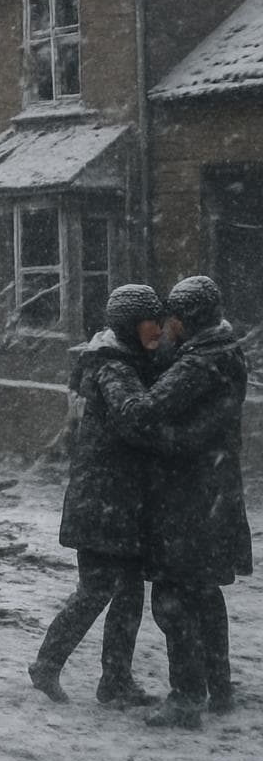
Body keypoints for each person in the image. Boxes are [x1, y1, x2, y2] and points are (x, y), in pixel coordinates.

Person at [108, 275, 252, 729]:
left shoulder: (197, 365)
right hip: (215, 490)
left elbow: (147, 411)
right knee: (206, 594)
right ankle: (219, 686)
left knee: (172, 597)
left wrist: (112, 374)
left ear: (187, 319)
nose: (165, 325)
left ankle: (187, 697)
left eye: (172, 316)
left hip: (187, 499)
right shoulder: (226, 352)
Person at [28, 284, 163, 707]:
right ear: (128, 325)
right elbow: (134, 416)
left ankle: (114, 680)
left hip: (114, 499)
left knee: (124, 593)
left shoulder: (126, 361)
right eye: (150, 320)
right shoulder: (116, 369)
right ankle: (49, 665)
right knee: (98, 589)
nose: (157, 327)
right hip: (105, 502)